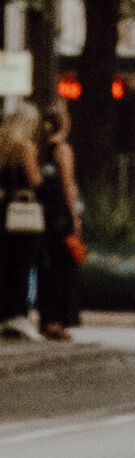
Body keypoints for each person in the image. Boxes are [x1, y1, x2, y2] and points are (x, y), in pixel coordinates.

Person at [35, 102, 82, 343]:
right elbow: (68, 184)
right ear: (65, 123)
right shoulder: (63, 149)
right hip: (60, 216)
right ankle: (57, 321)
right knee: (62, 269)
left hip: (44, 215)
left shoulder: (41, 149)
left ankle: (45, 319)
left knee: (47, 267)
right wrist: (75, 214)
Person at [0, 121, 42, 338]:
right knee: (23, 264)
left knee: (6, 264)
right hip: (23, 213)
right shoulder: (25, 146)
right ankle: (19, 314)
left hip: (5, 210)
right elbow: (35, 179)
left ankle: (4, 313)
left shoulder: (3, 146)